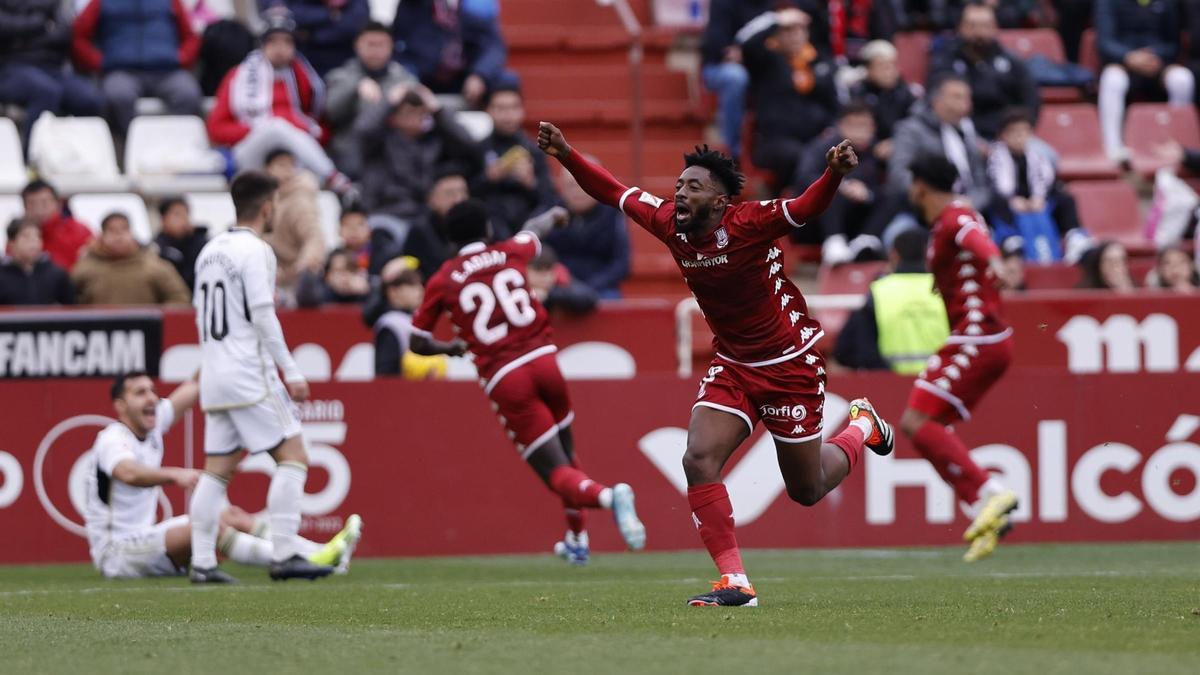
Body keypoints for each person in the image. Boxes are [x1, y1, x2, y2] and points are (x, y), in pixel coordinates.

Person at [539, 122, 895, 606]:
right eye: (680, 185)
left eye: (693, 187)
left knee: (807, 489)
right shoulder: (668, 222)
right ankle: (735, 582)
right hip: (734, 364)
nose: (679, 193)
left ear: (720, 202)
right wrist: (566, 153)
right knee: (698, 458)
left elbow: (806, 208)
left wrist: (831, 174)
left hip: (789, 363)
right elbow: (613, 190)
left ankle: (861, 427)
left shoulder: (749, 223)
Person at [410, 199, 646, 566]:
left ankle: (608, 497)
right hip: (546, 361)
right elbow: (536, 228)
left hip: (507, 377)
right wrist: (556, 215)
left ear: (450, 239)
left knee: (556, 472)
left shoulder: (444, 278)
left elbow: (416, 341)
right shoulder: (509, 250)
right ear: (487, 230)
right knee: (568, 455)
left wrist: (450, 347)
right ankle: (577, 539)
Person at [188, 170, 332, 583]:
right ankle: (285, 555)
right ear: (268, 206)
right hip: (249, 373)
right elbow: (263, 314)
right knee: (294, 457)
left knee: (217, 470)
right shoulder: (257, 250)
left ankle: (202, 563)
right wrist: (291, 371)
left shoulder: (209, 250)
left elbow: (202, 316)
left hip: (215, 375)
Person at [84, 371, 362, 579]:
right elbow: (127, 472)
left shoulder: (153, 424)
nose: (152, 398)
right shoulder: (112, 438)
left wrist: (225, 345)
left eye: (152, 390)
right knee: (208, 527)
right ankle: (310, 560)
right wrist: (174, 475)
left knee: (232, 516)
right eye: (140, 392)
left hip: (146, 538)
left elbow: (194, 384)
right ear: (121, 406)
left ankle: (323, 553)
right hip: (117, 553)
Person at [898, 154, 1019, 563]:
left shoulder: (955, 217)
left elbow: (972, 236)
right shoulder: (946, 222)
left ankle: (990, 494)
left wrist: (996, 260)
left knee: (917, 421)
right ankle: (984, 509)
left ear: (919, 186)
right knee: (929, 427)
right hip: (979, 337)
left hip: (978, 337)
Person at [206, 9, 355, 197]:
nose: (280, 48)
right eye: (273, 41)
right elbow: (216, 128)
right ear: (262, 44)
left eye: (286, 41)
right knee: (276, 127)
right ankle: (334, 178)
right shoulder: (239, 75)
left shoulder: (305, 77)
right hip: (249, 152)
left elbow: (322, 128)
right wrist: (261, 127)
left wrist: (299, 129)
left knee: (294, 162)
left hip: (293, 155)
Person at [354, 82, 482, 223]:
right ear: (394, 116)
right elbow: (363, 130)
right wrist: (390, 101)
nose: (415, 118)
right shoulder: (380, 140)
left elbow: (470, 145)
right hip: (387, 212)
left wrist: (437, 109)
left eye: (421, 112)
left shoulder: (435, 140)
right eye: (408, 112)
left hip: (428, 215)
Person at [72, 0, 203, 138]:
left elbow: (191, 37)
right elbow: (79, 37)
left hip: (167, 70)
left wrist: (181, 58)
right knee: (118, 96)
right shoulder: (101, 2)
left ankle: (172, 146)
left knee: (188, 93)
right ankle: (135, 146)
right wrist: (100, 62)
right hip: (121, 71)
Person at [886, 75, 992, 244]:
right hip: (919, 214)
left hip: (967, 211)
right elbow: (899, 176)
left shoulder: (969, 133)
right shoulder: (910, 130)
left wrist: (968, 203)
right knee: (899, 235)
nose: (965, 105)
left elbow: (982, 183)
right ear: (936, 100)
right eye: (957, 97)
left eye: (967, 98)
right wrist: (938, 200)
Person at [738, 8, 839, 186]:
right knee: (800, 156)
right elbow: (745, 42)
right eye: (788, 30)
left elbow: (835, 105)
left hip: (814, 140)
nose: (795, 36)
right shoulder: (766, 61)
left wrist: (831, 128)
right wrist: (775, 19)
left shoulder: (819, 63)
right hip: (773, 143)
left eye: (800, 30)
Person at [833, 229, 949, 373]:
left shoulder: (879, 290)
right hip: (938, 383)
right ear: (927, 253)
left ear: (894, 254)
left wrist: (883, 372)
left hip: (890, 386)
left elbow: (847, 349)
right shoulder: (945, 289)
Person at [1095, 0, 1195, 162]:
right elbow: (1104, 42)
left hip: (1157, 64)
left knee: (1182, 79)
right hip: (1123, 63)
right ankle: (1113, 150)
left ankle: (1178, 147)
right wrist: (1129, 56)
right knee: (1112, 79)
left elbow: (1173, 44)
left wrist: (1155, 55)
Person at [927, 1, 1040, 139]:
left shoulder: (1013, 62)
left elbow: (1031, 101)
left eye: (985, 26)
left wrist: (1016, 133)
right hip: (959, 134)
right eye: (972, 26)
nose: (979, 32)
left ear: (995, 28)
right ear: (960, 28)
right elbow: (936, 100)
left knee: (1046, 154)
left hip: (1007, 135)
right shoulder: (946, 61)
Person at [0, 0, 103, 149]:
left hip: (52, 68)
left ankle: (84, 158)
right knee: (45, 91)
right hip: (11, 68)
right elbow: (4, 28)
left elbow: (66, 33)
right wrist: (39, 24)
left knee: (89, 98)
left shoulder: (54, 3)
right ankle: (32, 160)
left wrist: (26, 33)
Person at [986, 108, 1084, 263]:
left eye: (1024, 131)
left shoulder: (1038, 156)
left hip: (1036, 203)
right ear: (1003, 135)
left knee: (1065, 198)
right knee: (993, 202)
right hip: (1009, 204)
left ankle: (1074, 237)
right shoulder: (995, 158)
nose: (1019, 137)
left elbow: (1047, 182)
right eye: (1014, 132)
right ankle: (1009, 238)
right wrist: (1012, 200)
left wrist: (1039, 198)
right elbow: (997, 185)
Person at [795, 103, 889, 264]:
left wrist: (867, 193)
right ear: (841, 125)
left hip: (859, 214)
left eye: (865, 126)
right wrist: (843, 185)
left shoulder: (877, 152)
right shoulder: (822, 147)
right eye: (854, 125)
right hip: (819, 220)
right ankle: (834, 241)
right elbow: (804, 178)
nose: (860, 131)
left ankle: (866, 241)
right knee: (830, 187)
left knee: (895, 195)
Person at [324, 20, 418, 178]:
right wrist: (355, 87)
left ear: (391, 47)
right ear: (357, 45)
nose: (376, 50)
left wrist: (397, 96)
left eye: (381, 45)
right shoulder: (340, 76)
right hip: (352, 155)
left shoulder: (405, 80)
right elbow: (330, 113)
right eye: (370, 44)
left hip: (394, 155)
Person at [476, 83, 558, 240]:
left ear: (522, 111)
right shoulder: (478, 148)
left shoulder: (536, 149)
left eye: (513, 108)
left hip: (527, 232)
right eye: (501, 108)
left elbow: (549, 198)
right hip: (489, 234)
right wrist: (489, 178)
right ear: (489, 111)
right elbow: (467, 193)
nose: (508, 115)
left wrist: (531, 183)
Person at [391, 0, 510, 108]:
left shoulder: (476, 6)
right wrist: (410, 80)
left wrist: (480, 75)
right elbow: (398, 47)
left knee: (506, 82)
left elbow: (494, 46)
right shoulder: (412, 6)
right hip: (422, 78)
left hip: (463, 79)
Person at [544, 164, 630, 299]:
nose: (577, 191)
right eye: (571, 185)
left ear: (597, 185)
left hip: (601, 288)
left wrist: (591, 287)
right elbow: (540, 256)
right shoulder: (548, 213)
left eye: (583, 183)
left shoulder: (613, 214)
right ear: (561, 187)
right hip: (559, 287)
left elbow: (621, 264)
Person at [71, 212, 191, 306]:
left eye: (124, 229)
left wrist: (156, 320)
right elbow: (69, 304)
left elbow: (180, 299)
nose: (119, 236)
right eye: (112, 230)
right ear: (102, 236)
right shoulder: (84, 269)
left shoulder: (155, 266)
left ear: (132, 233)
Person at [263, 148, 327, 297]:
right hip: (266, 279)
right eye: (281, 165)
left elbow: (314, 237)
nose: (287, 171)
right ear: (267, 169)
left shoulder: (299, 200)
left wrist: (304, 266)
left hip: (291, 284)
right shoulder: (263, 198)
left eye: (290, 165)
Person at [372, 261, 449, 377]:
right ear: (393, 291)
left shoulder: (416, 320)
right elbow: (385, 375)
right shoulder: (390, 324)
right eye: (412, 285)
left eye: (420, 284)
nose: (420, 290)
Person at [260, 0, 369, 76]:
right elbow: (290, 15)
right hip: (304, 61)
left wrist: (312, 35)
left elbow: (354, 24)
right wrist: (330, 15)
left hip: (344, 62)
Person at [848, 40, 919, 156]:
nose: (889, 71)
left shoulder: (905, 92)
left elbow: (914, 123)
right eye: (882, 66)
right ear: (868, 69)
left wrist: (896, 142)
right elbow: (854, 126)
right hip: (866, 151)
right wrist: (875, 145)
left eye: (892, 65)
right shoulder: (858, 93)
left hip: (899, 146)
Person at [20, 179, 92, 271]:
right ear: (24, 207)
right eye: (32, 204)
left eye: (44, 203)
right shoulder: (17, 235)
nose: (39, 210)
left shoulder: (80, 231)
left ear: (58, 204)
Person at [0, 218, 74, 305]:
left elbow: (71, 310)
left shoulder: (58, 275)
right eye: (26, 236)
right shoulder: (2, 276)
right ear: (11, 243)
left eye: (38, 236)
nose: (33, 241)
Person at [154, 197, 208, 290]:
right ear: (163, 219)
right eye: (177, 214)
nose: (184, 219)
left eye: (186, 213)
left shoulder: (201, 244)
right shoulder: (156, 248)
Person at [526, 248, 599, 314]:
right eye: (538, 270)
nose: (546, 277)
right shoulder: (517, 286)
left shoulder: (560, 282)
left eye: (549, 270)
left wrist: (549, 295)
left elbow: (588, 297)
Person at [296, 247, 370, 307]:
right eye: (338, 271)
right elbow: (306, 299)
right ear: (327, 275)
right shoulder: (321, 294)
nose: (345, 276)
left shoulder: (367, 293)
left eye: (349, 270)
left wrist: (366, 291)